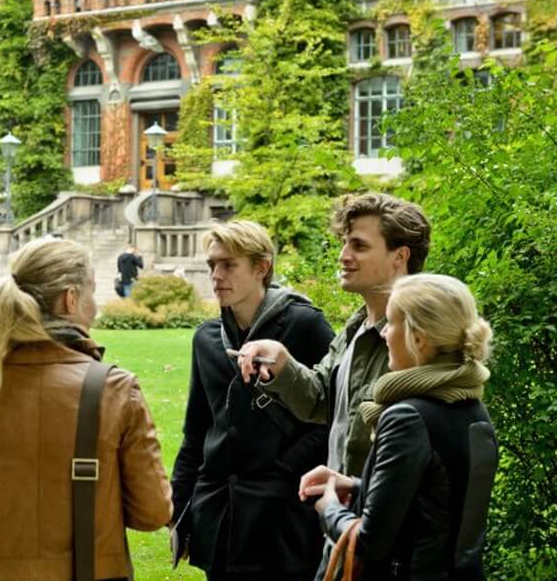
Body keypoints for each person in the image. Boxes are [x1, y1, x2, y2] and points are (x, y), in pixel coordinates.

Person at [0, 238, 172, 580]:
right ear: (71, 299)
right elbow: (152, 512)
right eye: (92, 293)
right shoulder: (114, 390)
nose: (95, 307)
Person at [237, 192, 431, 576]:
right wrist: (283, 363)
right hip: (344, 532)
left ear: (400, 256)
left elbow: (429, 459)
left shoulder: (419, 340)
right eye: (344, 242)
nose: (344, 255)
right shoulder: (357, 326)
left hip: (388, 549)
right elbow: (321, 400)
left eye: (359, 245)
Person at [300, 274, 498, 579]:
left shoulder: (406, 417)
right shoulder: (472, 407)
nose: (384, 334)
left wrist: (329, 507)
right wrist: (354, 486)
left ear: (417, 339)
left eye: (391, 323)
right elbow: (436, 502)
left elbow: (370, 543)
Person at [170, 220, 335, 581]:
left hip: (282, 516)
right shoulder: (207, 339)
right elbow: (197, 431)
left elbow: (334, 415)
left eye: (228, 265)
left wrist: (282, 465)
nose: (216, 275)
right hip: (220, 515)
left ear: (262, 267)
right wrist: (179, 509)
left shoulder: (304, 325)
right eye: (212, 265)